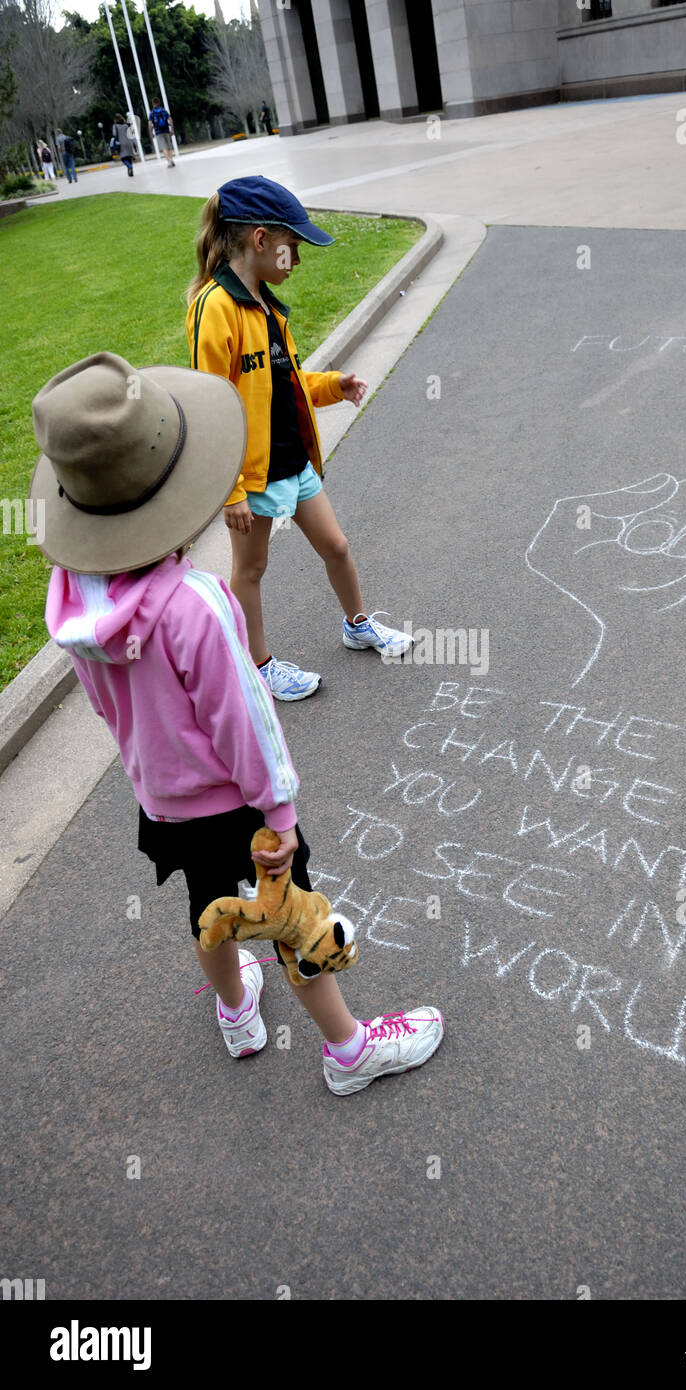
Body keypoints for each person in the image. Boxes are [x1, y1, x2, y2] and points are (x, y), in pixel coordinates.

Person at [30, 350, 444, 1092]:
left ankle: (235, 1013)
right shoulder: (196, 605)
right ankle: (350, 1050)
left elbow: (104, 705)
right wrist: (278, 813)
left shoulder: (73, 604)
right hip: (237, 806)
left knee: (209, 906)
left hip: (162, 798)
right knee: (292, 918)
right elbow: (242, 722)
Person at [185, 175, 414, 701]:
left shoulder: (264, 301)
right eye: (294, 248)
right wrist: (233, 489)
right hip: (252, 473)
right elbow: (209, 407)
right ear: (261, 240)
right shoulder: (214, 307)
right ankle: (259, 666)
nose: (299, 260)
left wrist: (332, 385)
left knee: (336, 544)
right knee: (251, 568)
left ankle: (357, 626)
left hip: (294, 461)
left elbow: (285, 379)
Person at [147, 98, 175, 167]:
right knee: (169, 146)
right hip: (166, 130)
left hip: (158, 132)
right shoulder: (164, 110)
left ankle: (168, 162)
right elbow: (170, 120)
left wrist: (151, 133)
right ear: (159, 103)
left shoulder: (152, 112)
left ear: (153, 104)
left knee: (163, 147)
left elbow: (150, 124)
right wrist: (172, 129)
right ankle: (171, 160)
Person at [111, 113, 135, 177]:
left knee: (123, 158)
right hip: (128, 143)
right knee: (129, 157)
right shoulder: (126, 125)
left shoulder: (115, 126)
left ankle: (129, 167)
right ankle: (130, 171)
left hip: (121, 144)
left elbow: (114, 134)